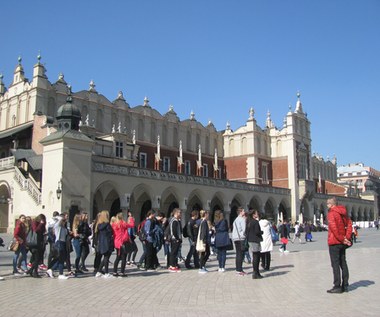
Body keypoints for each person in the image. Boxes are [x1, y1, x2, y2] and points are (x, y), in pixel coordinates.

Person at [326, 197, 352, 294]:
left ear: (332, 204)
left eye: (328, 203)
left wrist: (341, 238)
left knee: (335, 264)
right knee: (343, 263)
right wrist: (346, 238)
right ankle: (345, 285)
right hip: (342, 243)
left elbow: (334, 228)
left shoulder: (332, 213)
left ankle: (337, 286)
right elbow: (349, 225)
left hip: (334, 242)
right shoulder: (344, 212)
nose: (327, 205)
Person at [112, 211, 135, 277]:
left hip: (116, 242)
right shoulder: (123, 223)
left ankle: (114, 271)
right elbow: (132, 225)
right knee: (124, 257)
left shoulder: (114, 224)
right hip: (122, 242)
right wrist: (130, 218)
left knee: (118, 257)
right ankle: (122, 272)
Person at [94, 210, 114, 278]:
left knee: (105, 258)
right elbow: (110, 233)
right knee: (106, 258)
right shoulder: (107, 224)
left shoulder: (99, 225)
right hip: (107, 242)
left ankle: (99, 271)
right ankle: (106, 272)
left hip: (102, 243)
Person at [246, 210, 263, 279]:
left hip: (250, 240)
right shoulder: (255, 222)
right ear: (253, 215)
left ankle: (256, 272)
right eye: (256, 213)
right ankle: (256, 273)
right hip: (255, 240)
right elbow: (257, 232)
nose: (257, 214)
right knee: (256, 257)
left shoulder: (248, 222)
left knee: (254, 256)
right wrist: (261, 232)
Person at [232, 207, 247, 276]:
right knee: (240, 255)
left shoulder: (235, 220)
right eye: (243, 211)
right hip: (241, 238)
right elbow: (244, 229)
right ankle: (239, 270)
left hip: (235, 238)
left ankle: (238, 269)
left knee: (238, 254)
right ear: (241, 212)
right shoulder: (242, 219)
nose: (244, 212)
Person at [168, 208, 182, 272]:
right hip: (174, 239)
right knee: (173, 253)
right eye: (180, 213)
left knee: (174, 253)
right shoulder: (174, 221)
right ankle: (172, 266)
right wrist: (177, 238)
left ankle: (172, 265)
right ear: (176, 213)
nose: (180, 214)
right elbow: (174, 231)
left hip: (174, 239)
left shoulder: (174, 220)